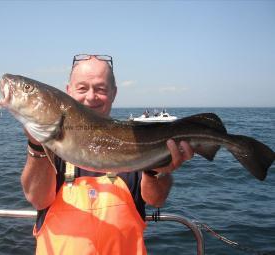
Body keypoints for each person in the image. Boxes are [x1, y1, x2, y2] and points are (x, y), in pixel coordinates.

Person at [21, 54, 194, 255]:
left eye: (100, 89)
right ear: (68, 92)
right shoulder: (54, 147)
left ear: (113, 93)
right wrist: (37, 145)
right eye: (82, 88)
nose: (91, 96)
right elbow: (38, 199)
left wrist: (157, 171)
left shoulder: (135, 142)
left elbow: (156, 199)